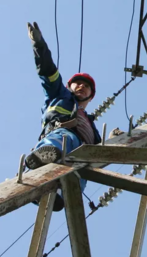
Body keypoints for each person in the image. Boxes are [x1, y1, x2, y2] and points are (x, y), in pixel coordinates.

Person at [26, 22, 102, 210]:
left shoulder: (90, 124)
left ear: (90, 96)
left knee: (78, 173)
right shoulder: (60, 95)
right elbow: (48, 72)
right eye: (77, 84)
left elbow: (100, 151)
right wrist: (39, 45)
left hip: (83, 152)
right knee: (62, 140)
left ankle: (60, 193)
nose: (81, 86)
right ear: (69, 87)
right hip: (62, 135)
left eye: (86, 86)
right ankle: (42, 160)